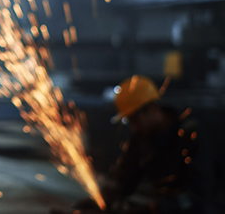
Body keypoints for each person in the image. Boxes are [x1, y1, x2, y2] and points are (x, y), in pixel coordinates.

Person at [57, 75, 222, 214]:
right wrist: (100, 200)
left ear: (151, 108)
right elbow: (123, 179)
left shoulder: (192, 134)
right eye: (129, 121)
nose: (133, 127)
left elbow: (199, 194)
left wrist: (152, 209)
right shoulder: (142, 137)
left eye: (135, 120)